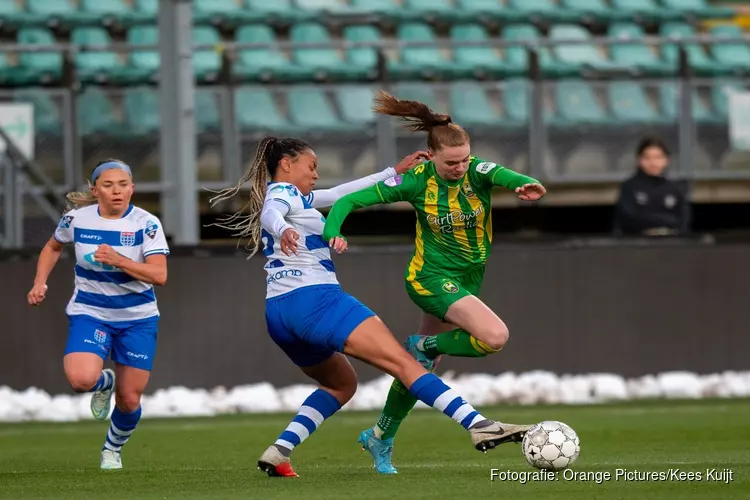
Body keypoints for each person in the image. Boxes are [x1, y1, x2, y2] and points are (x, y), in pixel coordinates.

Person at [208, 137, 531, 478]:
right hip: (316, 301)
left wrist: (392, 172)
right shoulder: (282, 195)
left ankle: (279, 451)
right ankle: (479, 424)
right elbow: (273, 212)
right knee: (407, 364)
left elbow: (340, 194)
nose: (316, 174)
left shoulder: (299, 197)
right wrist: (284, 227)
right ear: (287, 165)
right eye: (311, 166)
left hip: (279, 312)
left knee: (341, 385)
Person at [322, 91, 547, 474]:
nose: (461, 168)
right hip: (429, 278)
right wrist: (333, 230)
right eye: (452, 162)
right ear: (432, 155)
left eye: (464, 160)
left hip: (467, 279)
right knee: (494, 336)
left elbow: (505, 175)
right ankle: (423, 342)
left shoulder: (477, 170)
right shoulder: (415, 181)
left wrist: (525, 183)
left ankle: (381, 435)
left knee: (419, 367)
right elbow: (348, 202)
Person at [27, 159, 169, 470]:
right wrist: (40, 282)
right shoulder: (76, 219)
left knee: (130, 399)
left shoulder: (147, 224)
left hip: (138, 318)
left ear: (132, 188)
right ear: (95, 190)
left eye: (123, 185)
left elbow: (159, 275)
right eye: (108, 185)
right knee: (80, 379)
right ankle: (103, 382)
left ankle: (112, 449)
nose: (117, 191)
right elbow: (52, 247)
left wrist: (120, 260)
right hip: (90, 312)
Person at [613, 137, 691, 236]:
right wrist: (663, 220)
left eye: (658, 157)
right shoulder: (629, 187)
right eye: (647, 158)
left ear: (666, 160)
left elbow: (683, 221)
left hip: (671, 245)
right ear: (639, 160)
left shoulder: (675, 189)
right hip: (638, 245)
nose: (653, 163)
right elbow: (628, 219)